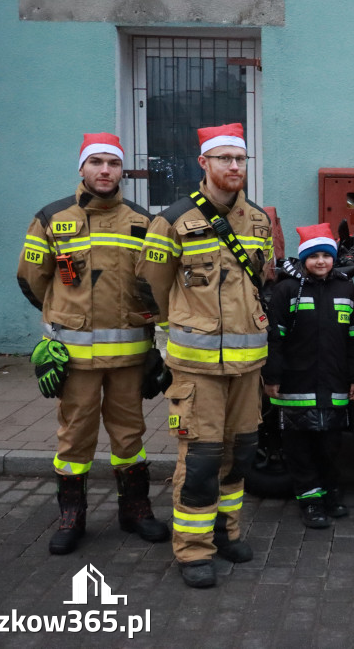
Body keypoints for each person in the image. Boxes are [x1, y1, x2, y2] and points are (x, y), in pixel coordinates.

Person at [16, 132, 169, 556]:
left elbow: (157, 284)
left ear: (122, 170)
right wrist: (61, 317)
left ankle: (135, 509)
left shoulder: (144, 221)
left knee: (130, 437)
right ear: (82, 168)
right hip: (75, 360)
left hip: (129, 359)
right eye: (97, 162)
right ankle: (72, 515)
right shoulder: (51, 218)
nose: (105, 171)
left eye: (113, 163)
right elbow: (33, 280)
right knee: (74, 440)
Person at [136, 123, 273, 588]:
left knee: (240, 456)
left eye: (240, 159)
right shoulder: (172, 220)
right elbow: (149, 290)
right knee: (199, 460)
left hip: (248, 366)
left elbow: (261, 282)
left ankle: (225, 532)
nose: (234, 167)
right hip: (197, 370)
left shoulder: (257, 221)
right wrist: (159, 344)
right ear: (204, 164)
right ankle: (193, 550)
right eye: (224, 159)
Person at [263, 223, 354, 529]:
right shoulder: (286, 290)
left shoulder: (346, 290)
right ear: (303, 259)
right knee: (300, 448)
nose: (320, 261)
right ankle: (310, 500)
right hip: (297, 386)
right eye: (314, 256)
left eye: (326, 255)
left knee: (331, 447)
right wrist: (273, 376)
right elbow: (275, 338)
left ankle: (330, 493)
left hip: (335, 385)